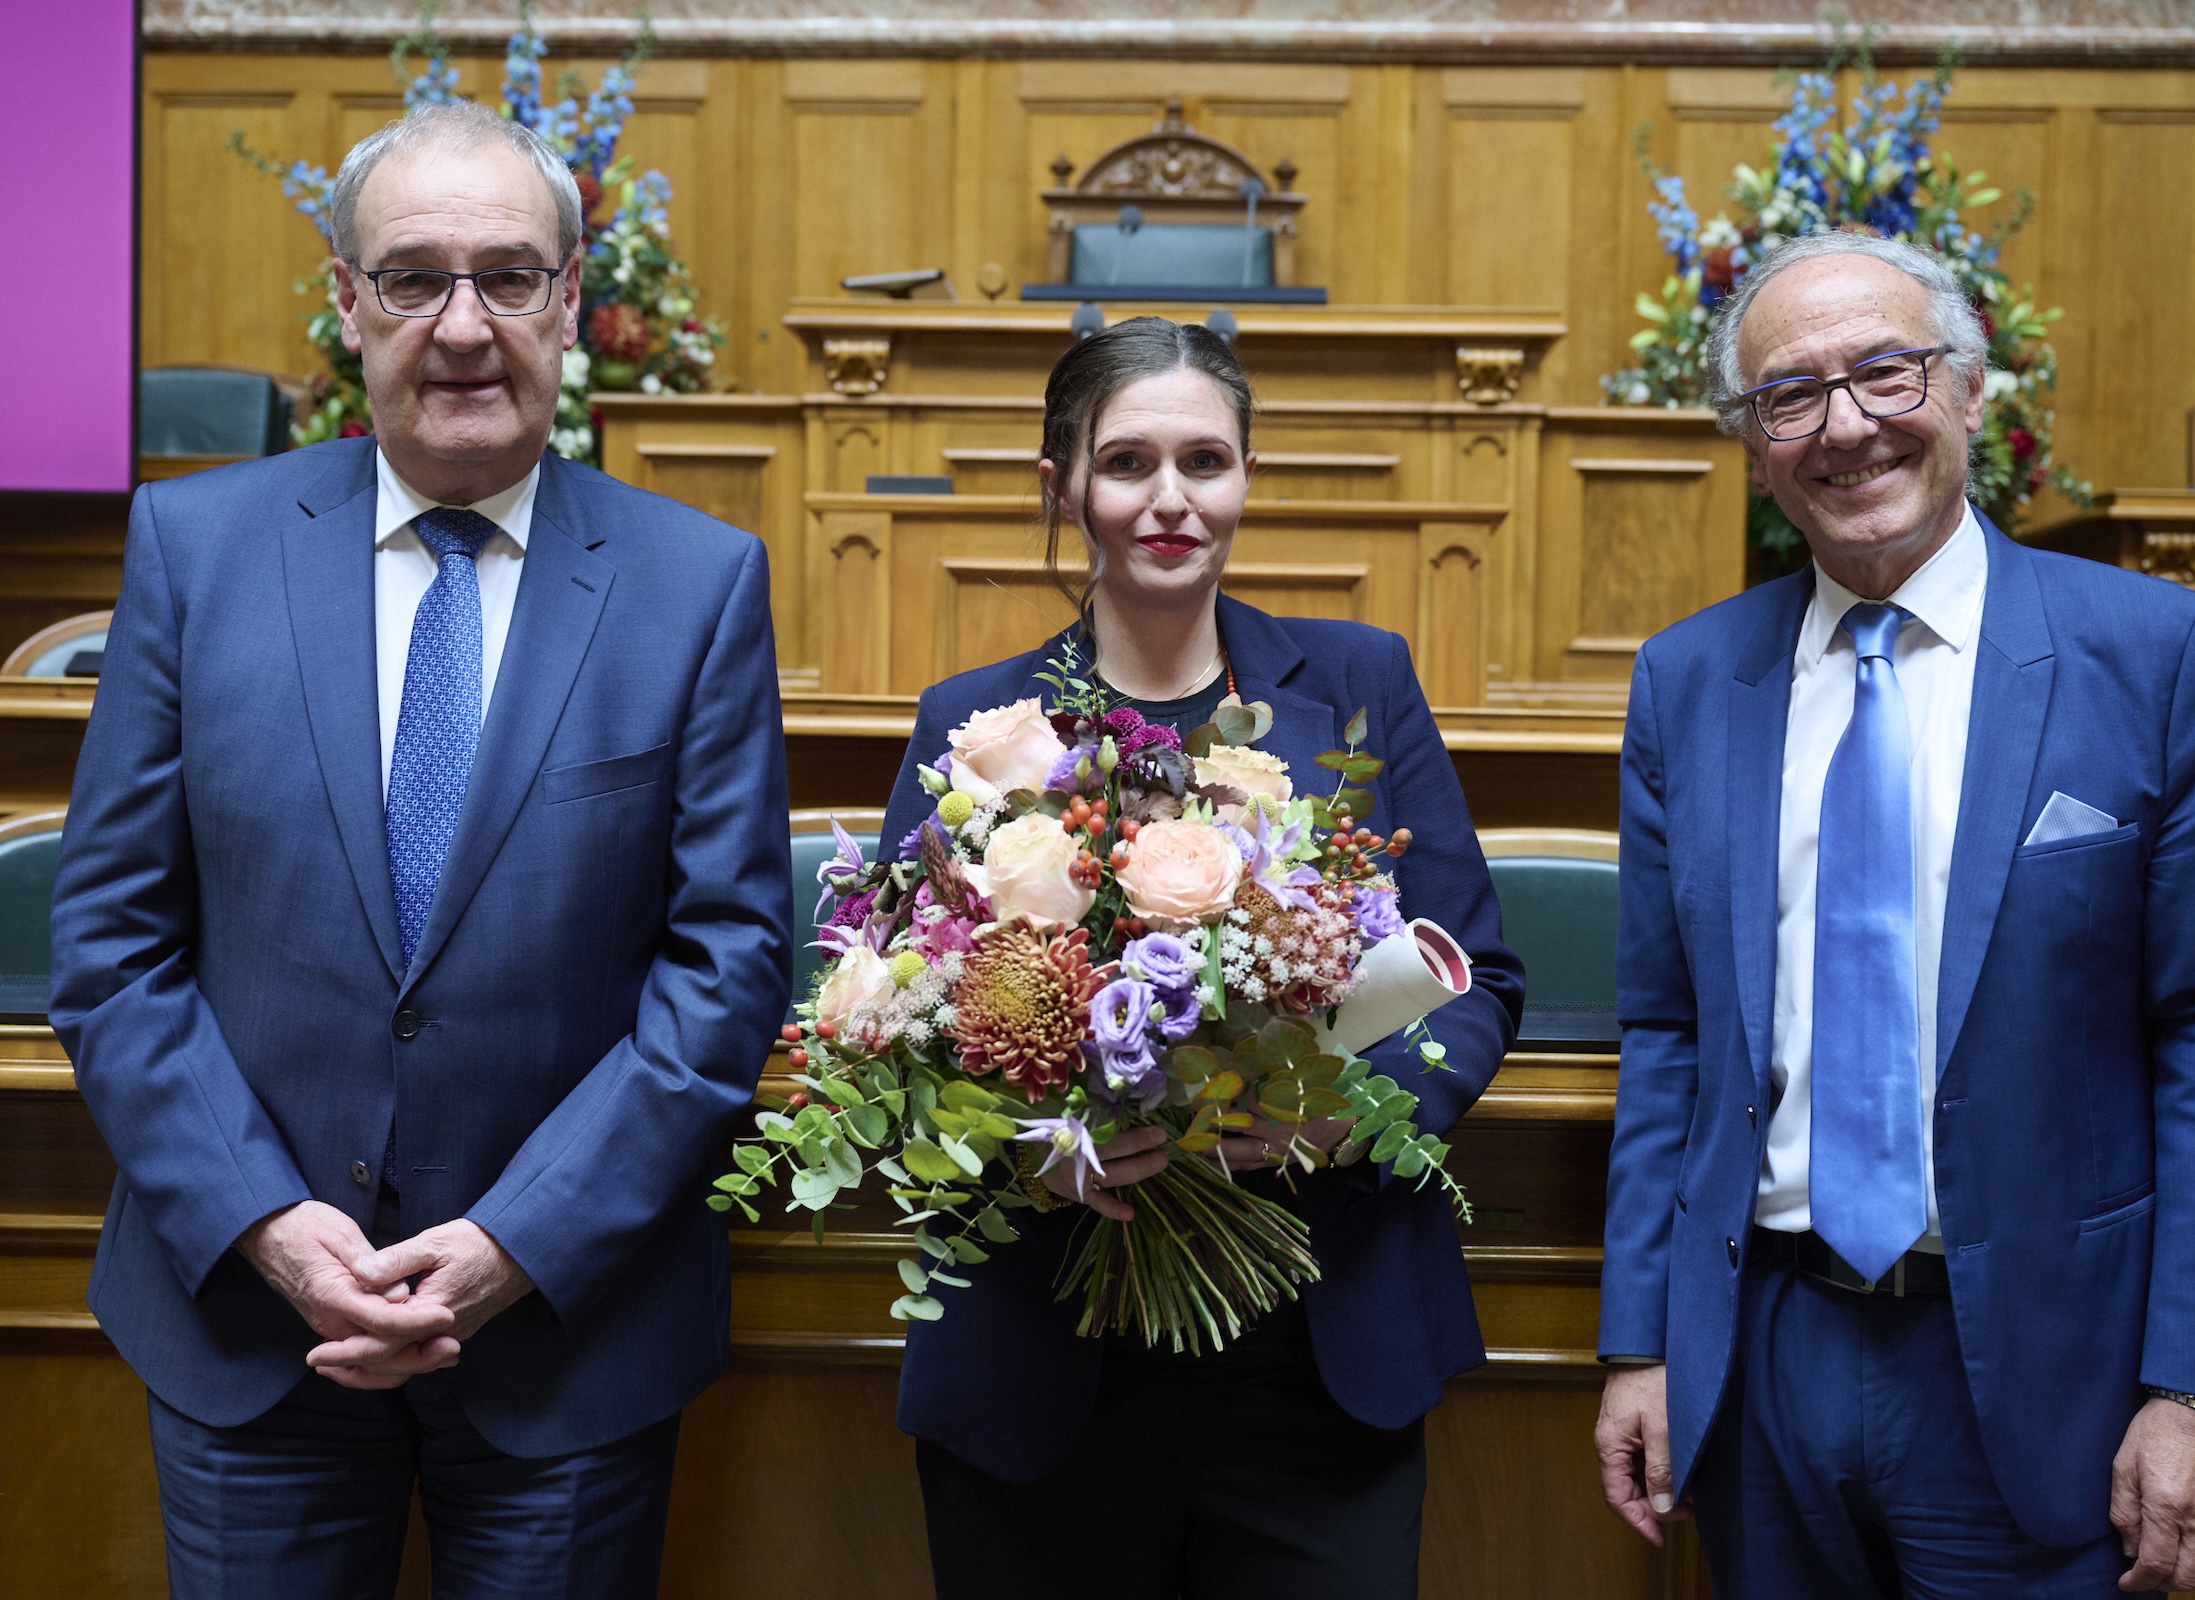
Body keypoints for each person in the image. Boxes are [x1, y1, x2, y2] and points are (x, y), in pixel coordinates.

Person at [49, 101, 792, 1598]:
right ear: (347, 300)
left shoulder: (697, 584)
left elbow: (727, 966)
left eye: (508, 277)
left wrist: (518, 1240)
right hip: (250, 1328)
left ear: (569, 302)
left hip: (566, 1340)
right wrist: (269, 1226)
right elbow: (113, 946)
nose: (463, 327)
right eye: (412, 278)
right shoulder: (192, 553)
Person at [1591, 232, 2195, 1598]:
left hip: (2047, 1367)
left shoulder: (2156, 654)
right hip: (1763, 1352)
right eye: (1790, 395)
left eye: (1887, 372)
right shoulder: (1687, 680)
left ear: (1971, 391)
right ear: (1752, 444)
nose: (1845, 425)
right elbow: (1669, 1033)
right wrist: (1642, 1340)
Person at [877, 316, 1524, 1598]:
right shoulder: (979, 727)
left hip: (1314, 1365)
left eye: (1204, 461)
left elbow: (1483, 979)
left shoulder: (1360, 685)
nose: (1170, 498)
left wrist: (1349, 1114)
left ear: (1245, 477)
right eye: (1127, 463)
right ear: (1063, 483)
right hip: (1043, 1352)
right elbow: (888, 1017)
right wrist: (1026, 1144)